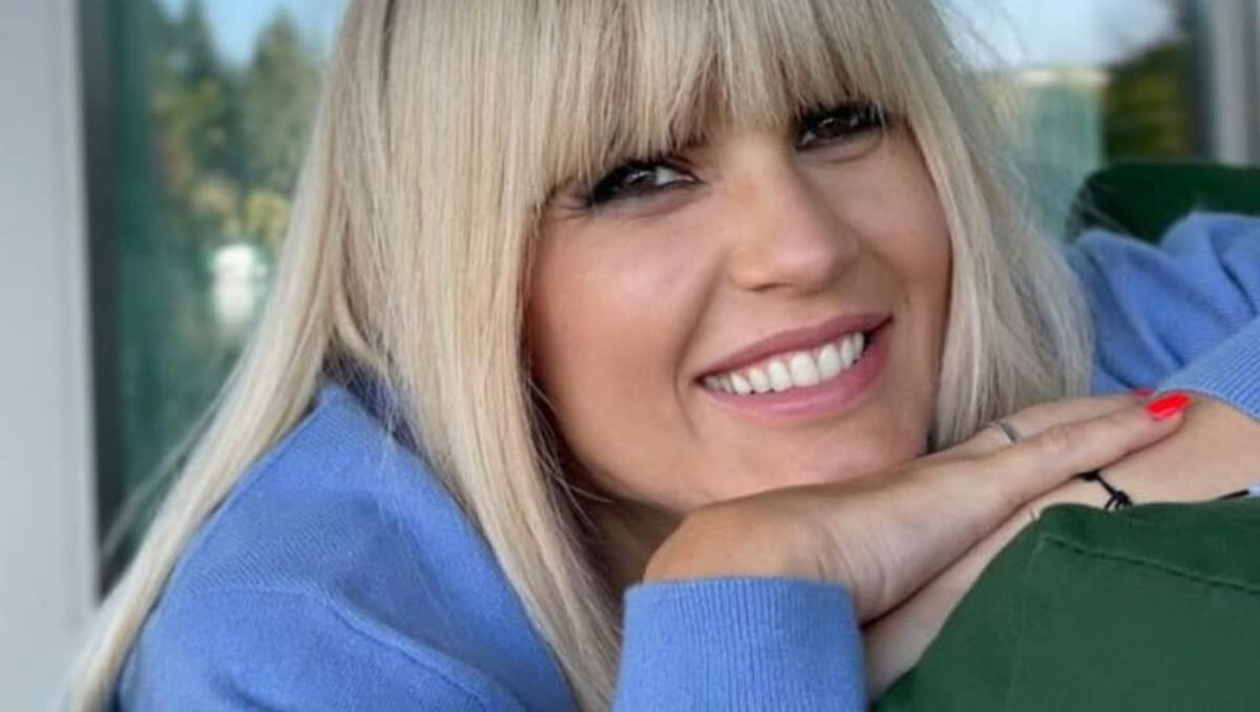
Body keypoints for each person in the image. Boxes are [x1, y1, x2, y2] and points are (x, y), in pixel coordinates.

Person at [66, 1, 1260, 710]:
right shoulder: (296, 647)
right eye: (638, 176)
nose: (801, 247)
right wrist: (744, 590)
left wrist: (1067, 504)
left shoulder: (1061, 322)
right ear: (438, 273)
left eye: (840, 121)